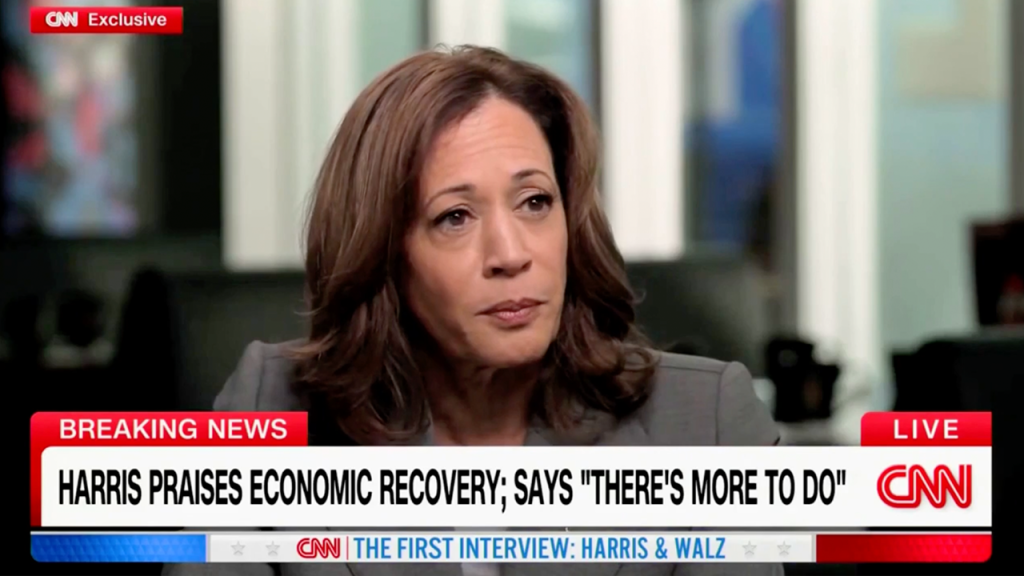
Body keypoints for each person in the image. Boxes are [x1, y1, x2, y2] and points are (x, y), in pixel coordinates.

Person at [165, 45, 782, 576]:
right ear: (383, 253)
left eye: (535, 202)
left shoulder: (706, 426)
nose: (511, 254)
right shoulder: (269, 410)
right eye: (455, 217)